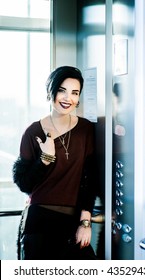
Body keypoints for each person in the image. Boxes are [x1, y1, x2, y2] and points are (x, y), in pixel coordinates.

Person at [12, 66, 97, 260]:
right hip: (39, 223)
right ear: (51, 91)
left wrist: (85, 222)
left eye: (74, 93)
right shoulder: (33, 132)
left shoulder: (86, 130)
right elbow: (23, 183)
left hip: (73, 222)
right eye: (62, 90)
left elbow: (90, 178)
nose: (68, 98)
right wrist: (45, 158)